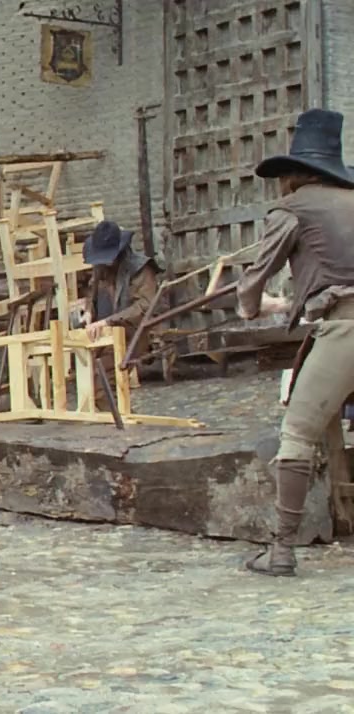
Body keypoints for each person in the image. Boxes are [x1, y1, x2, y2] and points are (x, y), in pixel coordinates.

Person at [233, 108, 354, 577]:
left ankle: (281, 548)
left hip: (344, 329)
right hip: (338, 319)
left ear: (295, 174)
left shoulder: (293, 210)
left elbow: (254, 279)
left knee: (298, 434)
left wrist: (251, 307)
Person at [81, 220, 162, 343]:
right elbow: (92, 291)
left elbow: (145, 307)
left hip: (139, 335)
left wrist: (108, 322)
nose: (105, 262)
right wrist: (88, 311)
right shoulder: (100, 268)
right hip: (107, 337)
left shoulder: (141, 269)